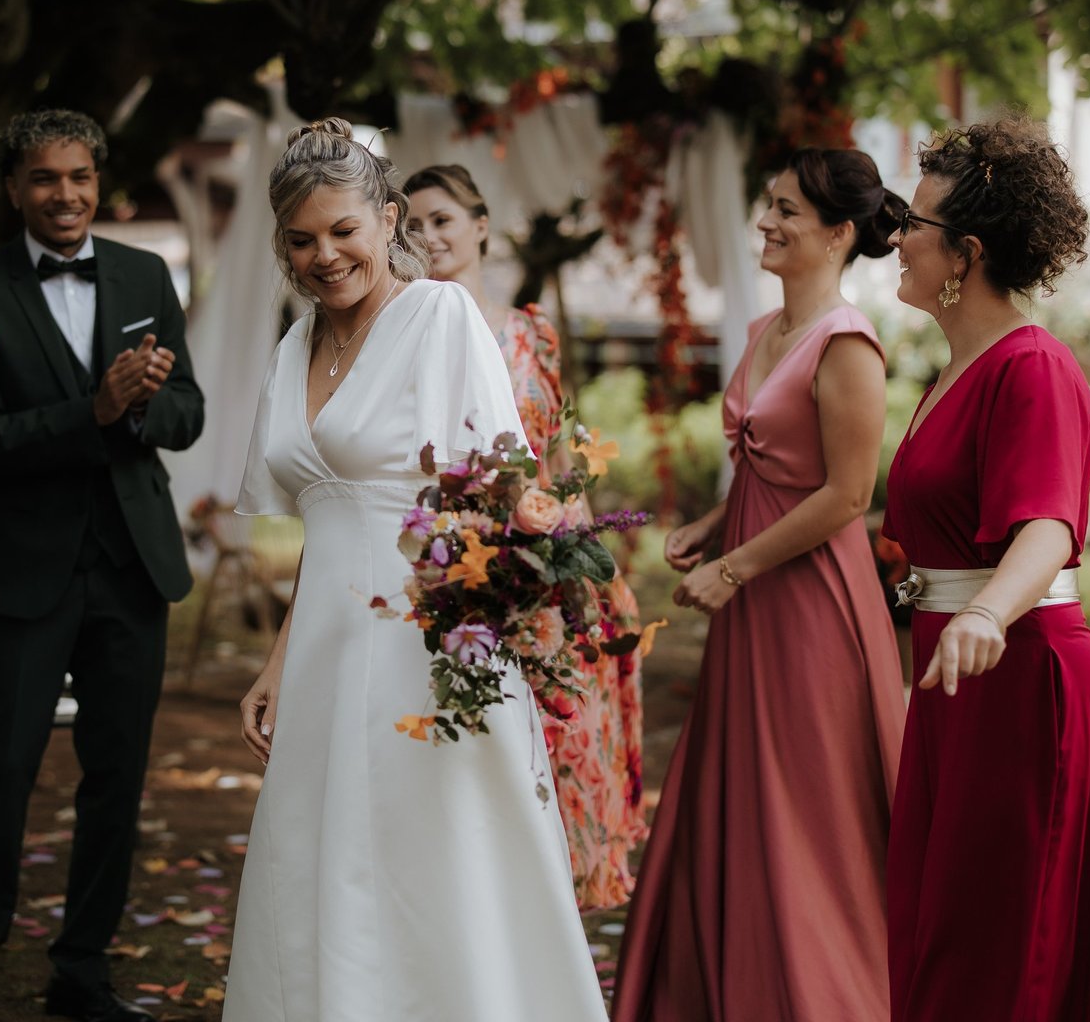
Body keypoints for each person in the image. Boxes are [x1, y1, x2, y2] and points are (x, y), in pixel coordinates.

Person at [223, 120, 604, 1022]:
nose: (325, 256)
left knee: (435, 862)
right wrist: (278, 662)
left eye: (344, 231)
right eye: (302, 239)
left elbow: (491, 485)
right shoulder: (294, 347)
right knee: (320, 857)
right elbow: (326, 521)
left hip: (424, 643)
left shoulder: (439, 315)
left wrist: (510, 602)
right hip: (320, 649)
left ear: (386, 218)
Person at [0, 110, 204, 1022]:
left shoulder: (146, 273)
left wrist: (144, 409)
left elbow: (189, 412)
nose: (66, 194)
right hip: (25, 570)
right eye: (45, 178)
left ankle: (83, 969)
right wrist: (96, 408)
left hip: (133, 565)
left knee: (116, 775)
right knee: (0, 771)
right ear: (14, 188)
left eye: (80, 176)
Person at [611, 147, 907, 1021]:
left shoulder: (848, 346)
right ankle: (727, 980)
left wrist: (738, 564)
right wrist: (714, 525)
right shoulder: (760, 333)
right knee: (738, 781)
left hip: (810, 601)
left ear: (839, 234)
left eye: (787, 210)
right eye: (768, 206)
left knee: (806, 797)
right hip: (748, 588)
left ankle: (821, 989)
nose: (767, 224)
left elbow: (848, 497)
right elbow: (765, 464)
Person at [881, 118, 1090, 1022]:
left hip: (1023, 676)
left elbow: (1048, 525)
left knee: (999, 942)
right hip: (954, 676)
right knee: (936, 926)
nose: (897, 237)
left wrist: (986, 615)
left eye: (916, 223)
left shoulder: (1032, 366)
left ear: (965, 254)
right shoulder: (955, 369)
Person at [402, 162, 645, 911]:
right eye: (411, 226)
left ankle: (554, 912)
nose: (428, 235)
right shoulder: (410, 336)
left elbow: (562, 453)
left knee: (566, 737)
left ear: (480, 225)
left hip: (552, 564)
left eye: (442, 218)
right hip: (464, 567)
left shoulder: (530, 332)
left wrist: (589, 550)